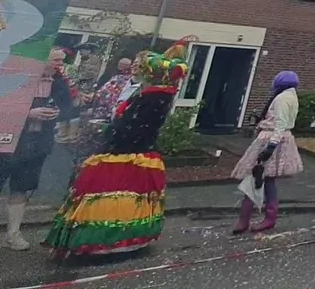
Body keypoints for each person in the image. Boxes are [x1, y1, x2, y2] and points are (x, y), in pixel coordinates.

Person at [43, 44, 188, 258]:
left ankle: (105, 240)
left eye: (141, 66)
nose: (136, 69)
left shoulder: (152, 97)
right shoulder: (149, 94)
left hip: (126, 154)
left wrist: (109, 131)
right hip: (128, 151)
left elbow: (133, 128)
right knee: (118, 197)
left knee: (111, 197)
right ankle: (113, 240)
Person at [3, 50, 74, 251]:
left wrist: (59, 113)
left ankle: (13, 235)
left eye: (62, 60)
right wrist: (28, 113)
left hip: (36, 144)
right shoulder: (15, 76)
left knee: (22, 188)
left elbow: (68, 108)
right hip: (6, 142)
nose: (61, 64)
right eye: (56, 60)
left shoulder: (59, 82)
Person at [231, 71, 304, 234]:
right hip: (277, 138)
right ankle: (265, 217)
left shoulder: (282, 98)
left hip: (270, 139)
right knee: (266, 179)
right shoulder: (291, 96)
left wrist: (270, 147)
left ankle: (246, 219)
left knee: (256, 175)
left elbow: (280, 124)